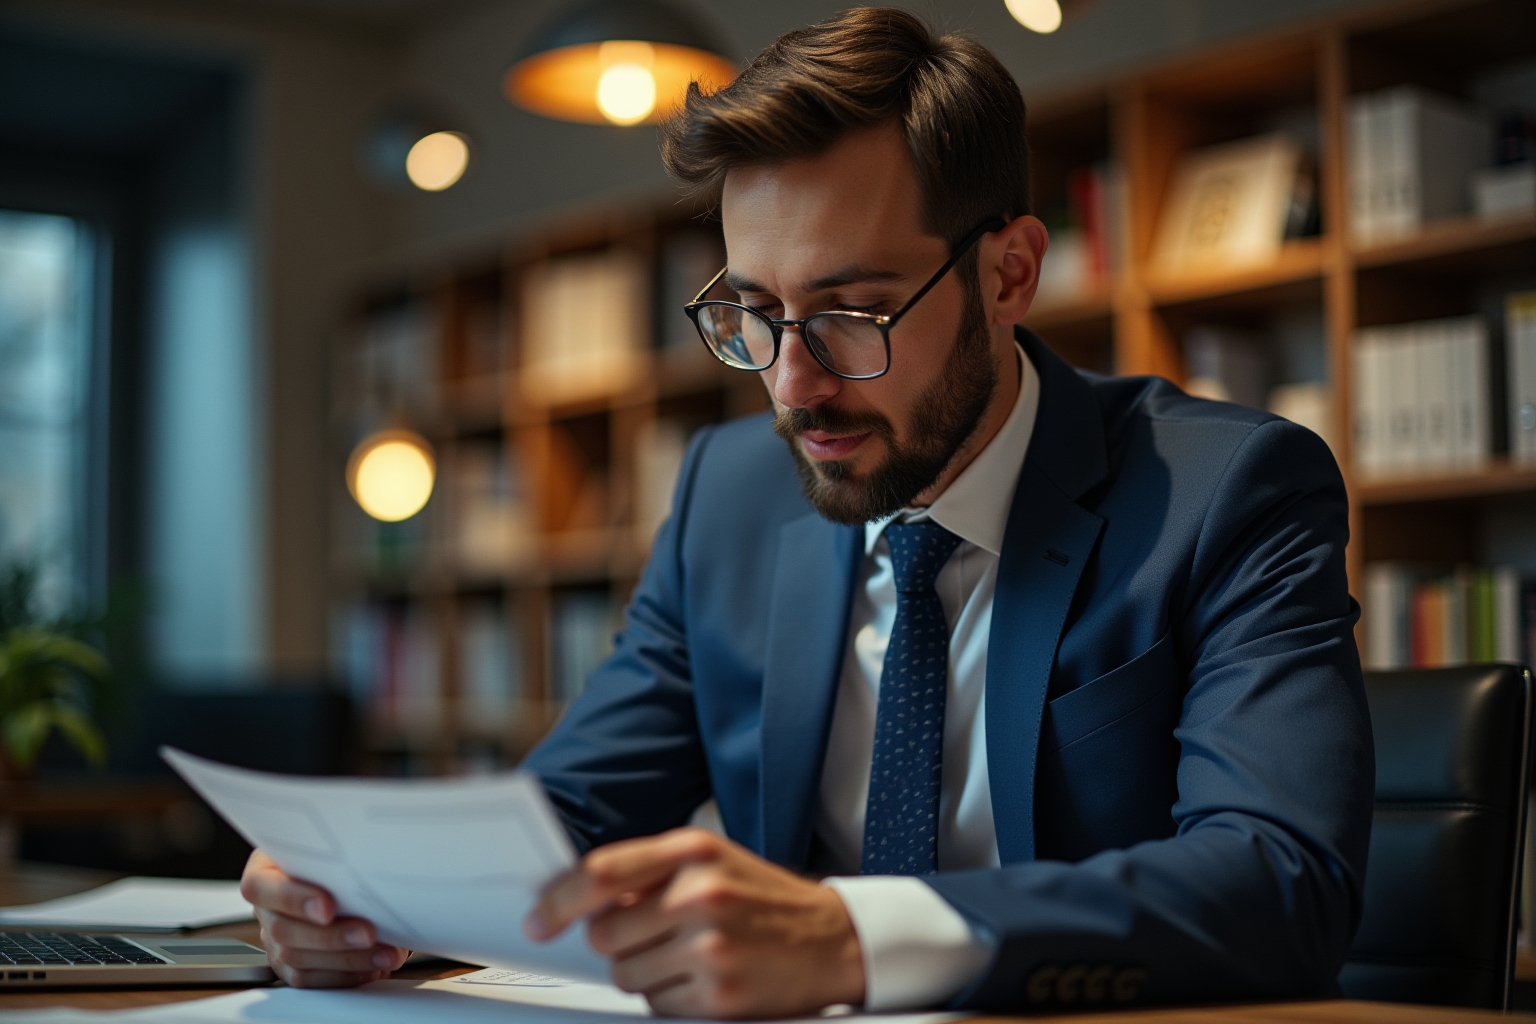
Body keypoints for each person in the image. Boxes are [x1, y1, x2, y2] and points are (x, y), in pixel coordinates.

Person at [242, 8, 1373, 1017]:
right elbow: (569, 810)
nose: (791, 384)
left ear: (1009, 274)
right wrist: (363, 891)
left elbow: (1280, 877)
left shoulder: (1229, 492)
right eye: (753, 312)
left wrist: (851, 937)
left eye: (854, 313)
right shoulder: (726, 497)